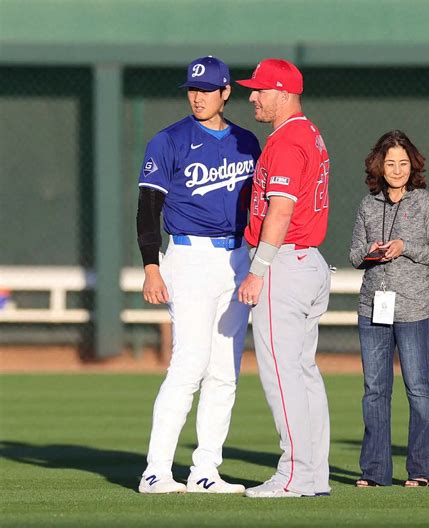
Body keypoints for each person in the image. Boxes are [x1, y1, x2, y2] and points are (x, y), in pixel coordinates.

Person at [136, 56, 261, 494]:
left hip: (236, 259)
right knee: (189, 363)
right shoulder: (168, 140)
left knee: (225, 370)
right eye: (192, 88)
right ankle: (156, 471)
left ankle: (206, 470)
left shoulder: (248, 143)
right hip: (187, 256)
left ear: (226, 92)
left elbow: (261, 209)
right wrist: (152, 265)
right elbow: (148, 209)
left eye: (207, 89)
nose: (198, 96)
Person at [235, 59, 332, 498]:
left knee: (283, 375)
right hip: (306, 261)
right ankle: (313, 475)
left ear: (284, 92)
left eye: (260, 90)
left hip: (283, 265)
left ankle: (294, 475)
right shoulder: (306, 132)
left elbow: (280, 209)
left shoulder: (289, 139)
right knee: (304, 372)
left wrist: (258, 270)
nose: (252, 96)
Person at [349, 130, 429, 488]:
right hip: (372, 307)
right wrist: (370, 252)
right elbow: (353, 254)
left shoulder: (427, 204)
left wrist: (406, 246)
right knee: (375, 390)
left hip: (415, 308)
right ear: (379, 165)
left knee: (418, 387)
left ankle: (422, 470)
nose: (396, 169)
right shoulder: (367, 204)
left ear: (413, 166)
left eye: (403, 163)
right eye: (390, 163)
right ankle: (374, 472)